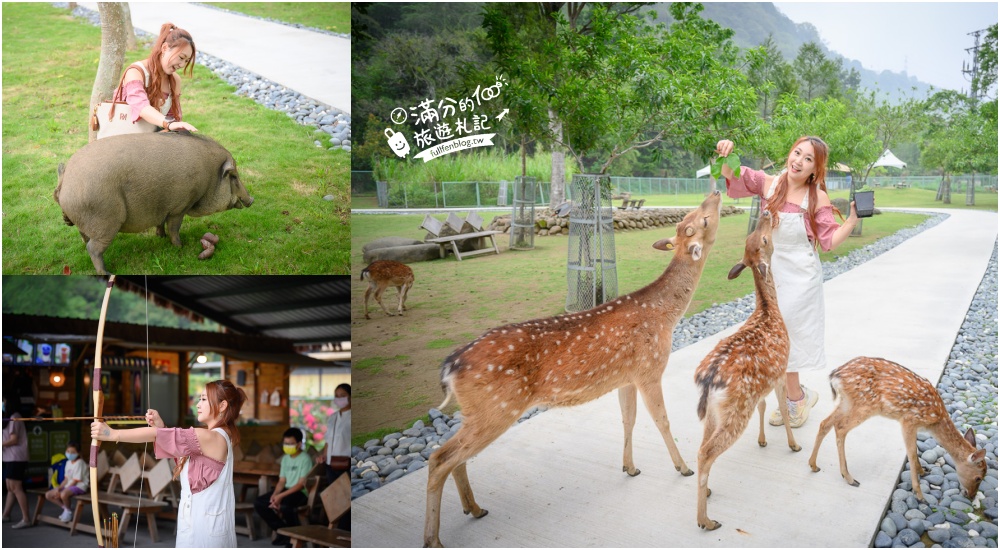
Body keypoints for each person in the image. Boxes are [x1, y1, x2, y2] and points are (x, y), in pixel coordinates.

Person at [716, 136, 858, 428]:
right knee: (773, 336)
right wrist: (725, 152)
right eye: (797, 153)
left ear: (814, 170)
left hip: (802, 276)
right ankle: (796, 396)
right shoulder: (768, 183)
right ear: (789, 154)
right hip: (771, 271)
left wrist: (851, 222)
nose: (799, 161)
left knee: (785, 334)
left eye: (808, 159)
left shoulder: (817, 197)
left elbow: (828, 241)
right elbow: (730, 175)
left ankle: (795, 400)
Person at [91, 380, 247, 547]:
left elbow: (156, 435)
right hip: (197, 522)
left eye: (203, 399)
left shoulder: (212, 436)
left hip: (207, 530)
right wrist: (162, 426)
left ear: (222, 405)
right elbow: (183, 458)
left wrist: (113, 434)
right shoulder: (213, 436)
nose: (198, 404)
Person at [114, 22, 199, 133]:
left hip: (152, 141)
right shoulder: (136, 72)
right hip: (122, 137)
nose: (182, 65)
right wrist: (168, 124)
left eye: (186, 61)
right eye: (181, 57)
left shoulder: (175, 81)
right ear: (164, 48)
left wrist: (170, 127)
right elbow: (141, 106)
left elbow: (174, 119)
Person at [254, 428, 313, 547]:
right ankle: (284, 532)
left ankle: (294, 538)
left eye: (290, 444)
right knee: (260, 503)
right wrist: (275, 495)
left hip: (300, 492)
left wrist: (280, 497)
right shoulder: (285, 459)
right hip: (286, 490)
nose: (287, 446)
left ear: (299, 444)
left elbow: (301, 484)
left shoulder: (305, 459)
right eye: (285, 443)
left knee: (286, 506)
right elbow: (282, 481)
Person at [2, 395, 31, 529]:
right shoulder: (8, 417)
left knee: (16, 487)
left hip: (16, 457)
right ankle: (5, 515)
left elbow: (14, 439)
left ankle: (26, 518)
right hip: (9, 457)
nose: (2, 403)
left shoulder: (15, 416)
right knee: (10, 487)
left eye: (3, 400)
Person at [44, 441, 89, 522]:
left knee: (63, 494)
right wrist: (59, 488)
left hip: (79, 486)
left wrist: (63, 491)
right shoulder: (68, 462)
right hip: (69, 485)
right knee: (48, 494)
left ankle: (68, 512)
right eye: (68, 451)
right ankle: (66, 509)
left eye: (73, 452)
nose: (70, 454)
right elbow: (66, 479)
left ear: (78, 453)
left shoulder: (80, 463)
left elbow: (75, 481)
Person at [318, 384, 351, 484]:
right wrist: (324, 455)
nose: (339, 398)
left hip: (347, 463)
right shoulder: (333, 417)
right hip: (330, 464)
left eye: (343, 395)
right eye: (337, 396)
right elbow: (328, 440)